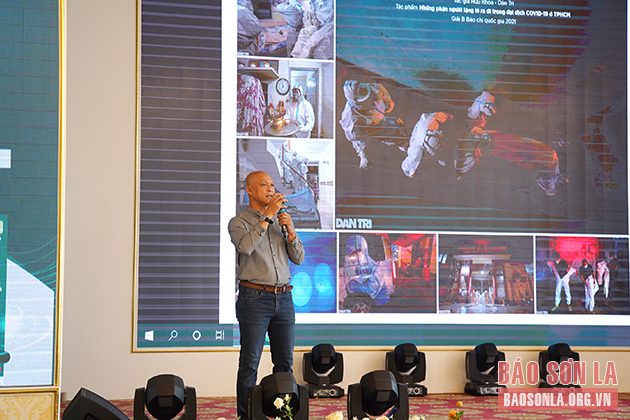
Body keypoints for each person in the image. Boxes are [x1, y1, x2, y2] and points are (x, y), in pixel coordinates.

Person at [228, 171, 305, 420]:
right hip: (254, 299)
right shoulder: (238, 222)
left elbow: (298, 258)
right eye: (264, 185)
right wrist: (267, 216)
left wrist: (290, 231)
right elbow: (245, 247)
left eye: (272, 184)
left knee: (284, 364)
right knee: (250, 363)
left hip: (284, 298)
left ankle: (284, 414)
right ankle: (246, 416)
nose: (271, 189)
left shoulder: (282, 219)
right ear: (249, 190)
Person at [401, 111, 453, 177]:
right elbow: (408, 167)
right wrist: (412, 173)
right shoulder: (415, 151)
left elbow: (437, 115)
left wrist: (446, 115)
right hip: (419, 145)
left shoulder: (427, 120)